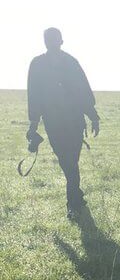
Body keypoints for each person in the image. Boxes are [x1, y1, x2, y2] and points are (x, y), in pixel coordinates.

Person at [27, 28, 100, 219]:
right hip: (54, 124)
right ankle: (76, 197)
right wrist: (33, 125)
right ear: (45, 42)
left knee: (71, 162)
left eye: (54, 39)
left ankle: (73, 203)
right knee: (67, 162)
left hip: (75, 122)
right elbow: (33, 96)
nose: (51, 42)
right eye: (48, 39)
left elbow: (83, 91)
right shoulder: (37, 64)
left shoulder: (71, 63)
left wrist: (93, 116)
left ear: (61, 41)